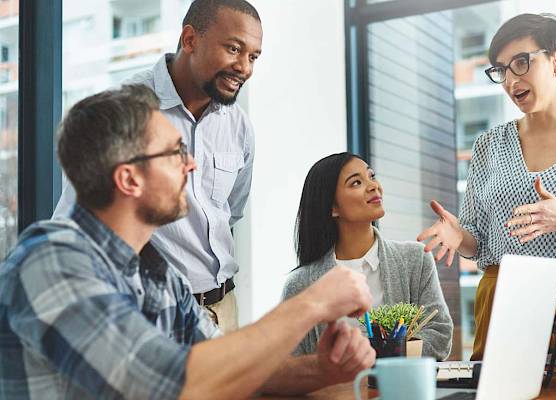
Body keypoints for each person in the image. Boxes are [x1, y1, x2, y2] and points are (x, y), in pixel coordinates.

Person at [0, 85, 376, 400]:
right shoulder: (50, 261)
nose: (191, 165)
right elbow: (171, 384)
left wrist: (322, 369)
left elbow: (225, 366)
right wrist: (312, 303)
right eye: (176, 152)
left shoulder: (158, 272)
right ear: (129, 179)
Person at [53, 0, 262, 333]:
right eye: (234, 49)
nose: (244, 67)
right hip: (149, 310)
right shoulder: (128, 110)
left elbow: (230, 211)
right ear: (190, 40)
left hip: (224, 307)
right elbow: (77, 218)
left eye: (253, 57)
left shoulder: (239, 127)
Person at [417, 13, 556, 361]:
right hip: (502, 303)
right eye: (502, 70)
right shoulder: (489, 145)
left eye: (521, 63)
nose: (511, 80)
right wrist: (459, 236)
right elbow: (478, 241)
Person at [281, 152, 453, 360]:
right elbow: (290, 360)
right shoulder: (300, 284)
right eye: (356, 183)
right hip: (333, 393)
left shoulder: (415, 259)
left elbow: (440, 334)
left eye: (371, 176)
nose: (373, 186)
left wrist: (381, 357)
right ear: (332, 207)